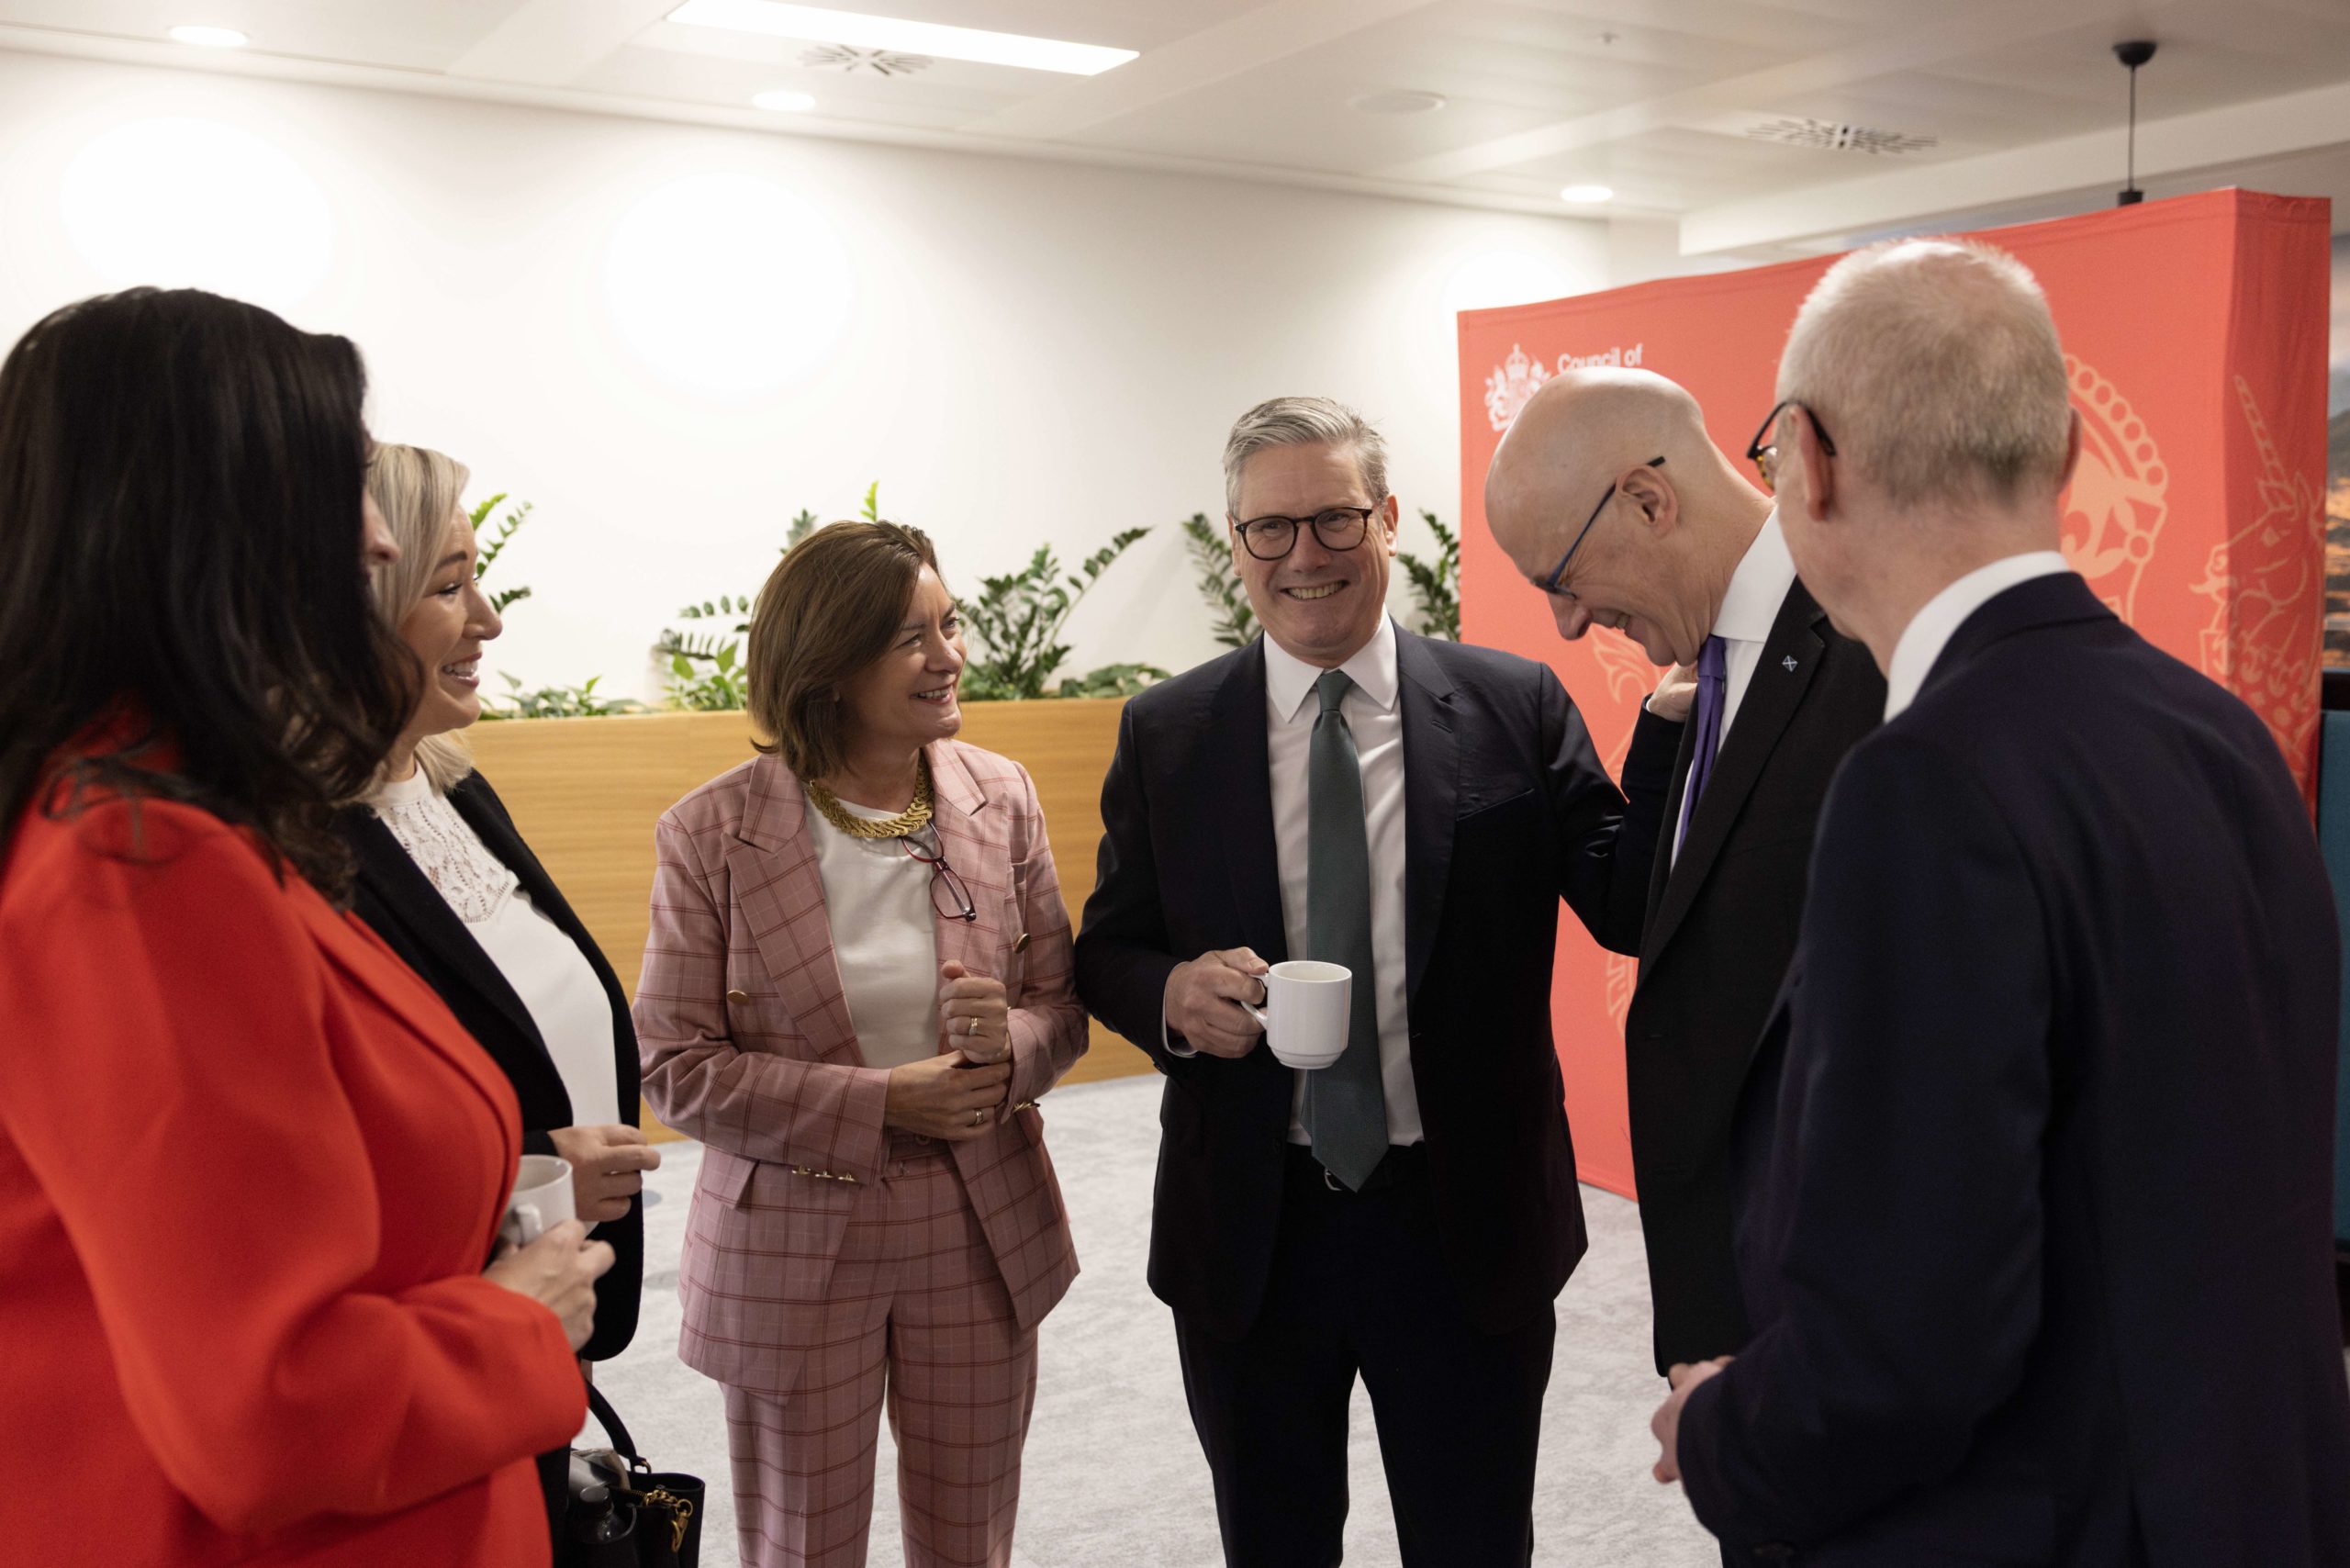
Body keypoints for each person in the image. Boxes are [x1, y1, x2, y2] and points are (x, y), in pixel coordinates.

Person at [1650, 239, 2350, 1563]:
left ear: (1807, 459)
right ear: (2071, 444)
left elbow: (1905, 1338)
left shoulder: (1925, 784)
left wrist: (1726, 1429)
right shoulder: (2220, 730)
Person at [0, 287, 609, 1566]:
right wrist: (516, 1317)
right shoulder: (141, 858)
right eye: (347, 492)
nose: (380, 546)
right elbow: (269, 1406)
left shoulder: (170, 813)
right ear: (217, 519)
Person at [1074, 397, 1673, 1567]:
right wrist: (1169, 996)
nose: (1306, 556)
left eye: (1336, 518)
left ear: (1389, 519)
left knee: (1473, 1541)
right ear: (1236, 539)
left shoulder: (1511, 705)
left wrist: (1671, 722)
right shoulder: (1170, 733)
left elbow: (1629, 901)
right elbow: (1107, 945)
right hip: (1256, 1225)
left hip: (1462, 1219)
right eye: (1271, 529)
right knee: (1276, 1543)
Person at [634, 520, 1087, 1568]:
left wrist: (1009, 1041)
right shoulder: (709, 834)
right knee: (804, 1546)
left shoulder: (1000, 795)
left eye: (949, 623)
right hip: (794, 1237)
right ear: (826, 667)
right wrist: (884, 1102)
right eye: (906, 637)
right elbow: (675, 1064)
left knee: (967, 1543)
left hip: (976, 1222)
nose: (948, 656)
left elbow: (1064, 1005)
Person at [1484, 368, 1882, 1378]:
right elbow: (1665, 916)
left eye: (1560, 581)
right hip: (1734, 1287)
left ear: (1649, 501)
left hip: (1827, 1309)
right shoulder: (1707, 668)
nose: (1567, 625)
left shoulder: (1871, 650)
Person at [335, 441, 658, 1548]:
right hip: (442, 1362)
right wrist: (529, 1168)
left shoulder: (451, 785)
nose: (488, 618)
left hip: (540, 1326)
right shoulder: (295, 850)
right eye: (445, 584)